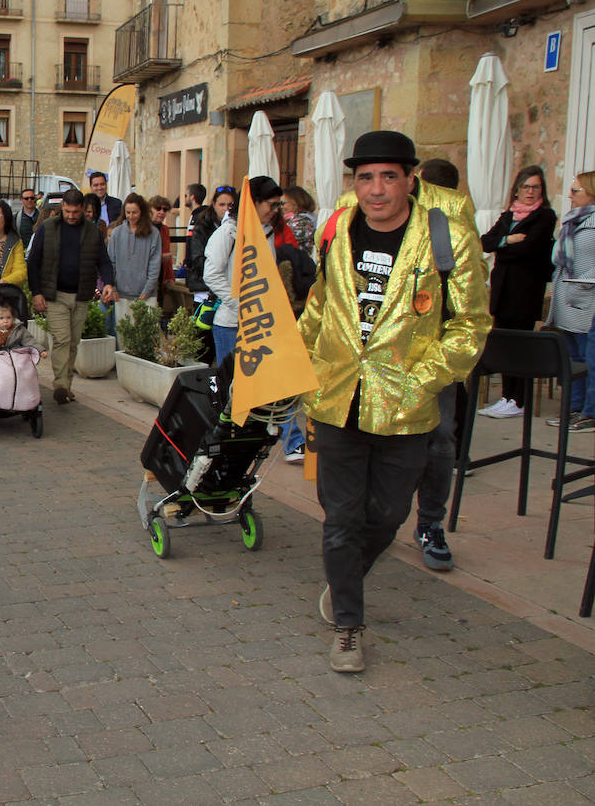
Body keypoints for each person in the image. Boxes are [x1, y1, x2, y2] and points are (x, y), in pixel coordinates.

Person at [299, 130, 489, 673]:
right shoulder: (336, 229)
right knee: (340, 517)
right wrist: (296, 361)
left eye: (388, 177)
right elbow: (320, 304)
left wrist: (420, 380)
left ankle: (343, 580)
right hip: (336, 398)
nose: (376, 190)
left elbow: (470, 325)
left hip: (406, 405)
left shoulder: (445, 237)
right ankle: (349, 628)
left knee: (388, 513)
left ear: (411, 179)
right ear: (353, 183)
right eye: (365, 178)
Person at [478, 165, 558, 418]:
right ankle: (507, 395)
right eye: (526, 187)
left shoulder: (544, 216)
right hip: (503, 289)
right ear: (517, 190)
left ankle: (519, 399)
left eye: (536, 187)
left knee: (520, 345)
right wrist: (506, 241)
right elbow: (484, 242)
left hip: (525, 291)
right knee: (504, 342)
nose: (530, 192)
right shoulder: (508, 216)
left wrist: (503, 247)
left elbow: (529, 250)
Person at [27, 189, 116, 404]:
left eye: (76, 212)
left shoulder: (92, 233)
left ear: (83, 209)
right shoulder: (48, 228)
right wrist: (36, 292)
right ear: (62, 208)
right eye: (67, 211)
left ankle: (67, 385)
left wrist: (109, 283)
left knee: (74, 342)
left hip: (81, 295)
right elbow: (33, 262)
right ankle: (60, 384)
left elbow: (103, 261)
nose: (71, 216)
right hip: (55, 294)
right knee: (62, 339)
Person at [204, 176, 283, 365]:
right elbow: (211, 274)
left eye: (278, 205)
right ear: (255, 203)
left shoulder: (267, 233)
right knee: (231, 384)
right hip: (230, 324)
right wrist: (238, 305)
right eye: (271, 205)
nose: (275, 210)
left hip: (260, 325)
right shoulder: (227, 233)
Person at [545, 170, 595, 431]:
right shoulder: (573, 221)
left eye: (576, 191)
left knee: (591, 359)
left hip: (589, 302)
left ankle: (591, 412)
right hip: (568, 302)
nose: (570, 196)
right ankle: (573, 408)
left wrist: (583, 282)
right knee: (571, 359)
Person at [107, 194, 161, 324]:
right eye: (128, 212)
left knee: (147, 338)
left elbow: (155, 265)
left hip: (146, 295)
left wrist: (146, 291)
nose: (131, 216)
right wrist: (113, 287)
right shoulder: (116, 233)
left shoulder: (153, 233)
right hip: (122, 295)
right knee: (124, 338)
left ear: (142, 212)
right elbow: (111, 262)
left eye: (135, 212)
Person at [184, 185, 235, 293]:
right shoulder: (202, 226)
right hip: (204, 288)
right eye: (222, 205)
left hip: (230, 287)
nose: (226, 209)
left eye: (230, 205)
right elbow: (197, 259)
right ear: (214, 205)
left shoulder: (238, 227)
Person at [282, 186, 318, 259]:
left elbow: (283, 242)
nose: (281, 206)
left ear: (296, 202)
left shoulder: (302, 221)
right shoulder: (296, 218)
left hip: (298, 265)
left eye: (283, 203)